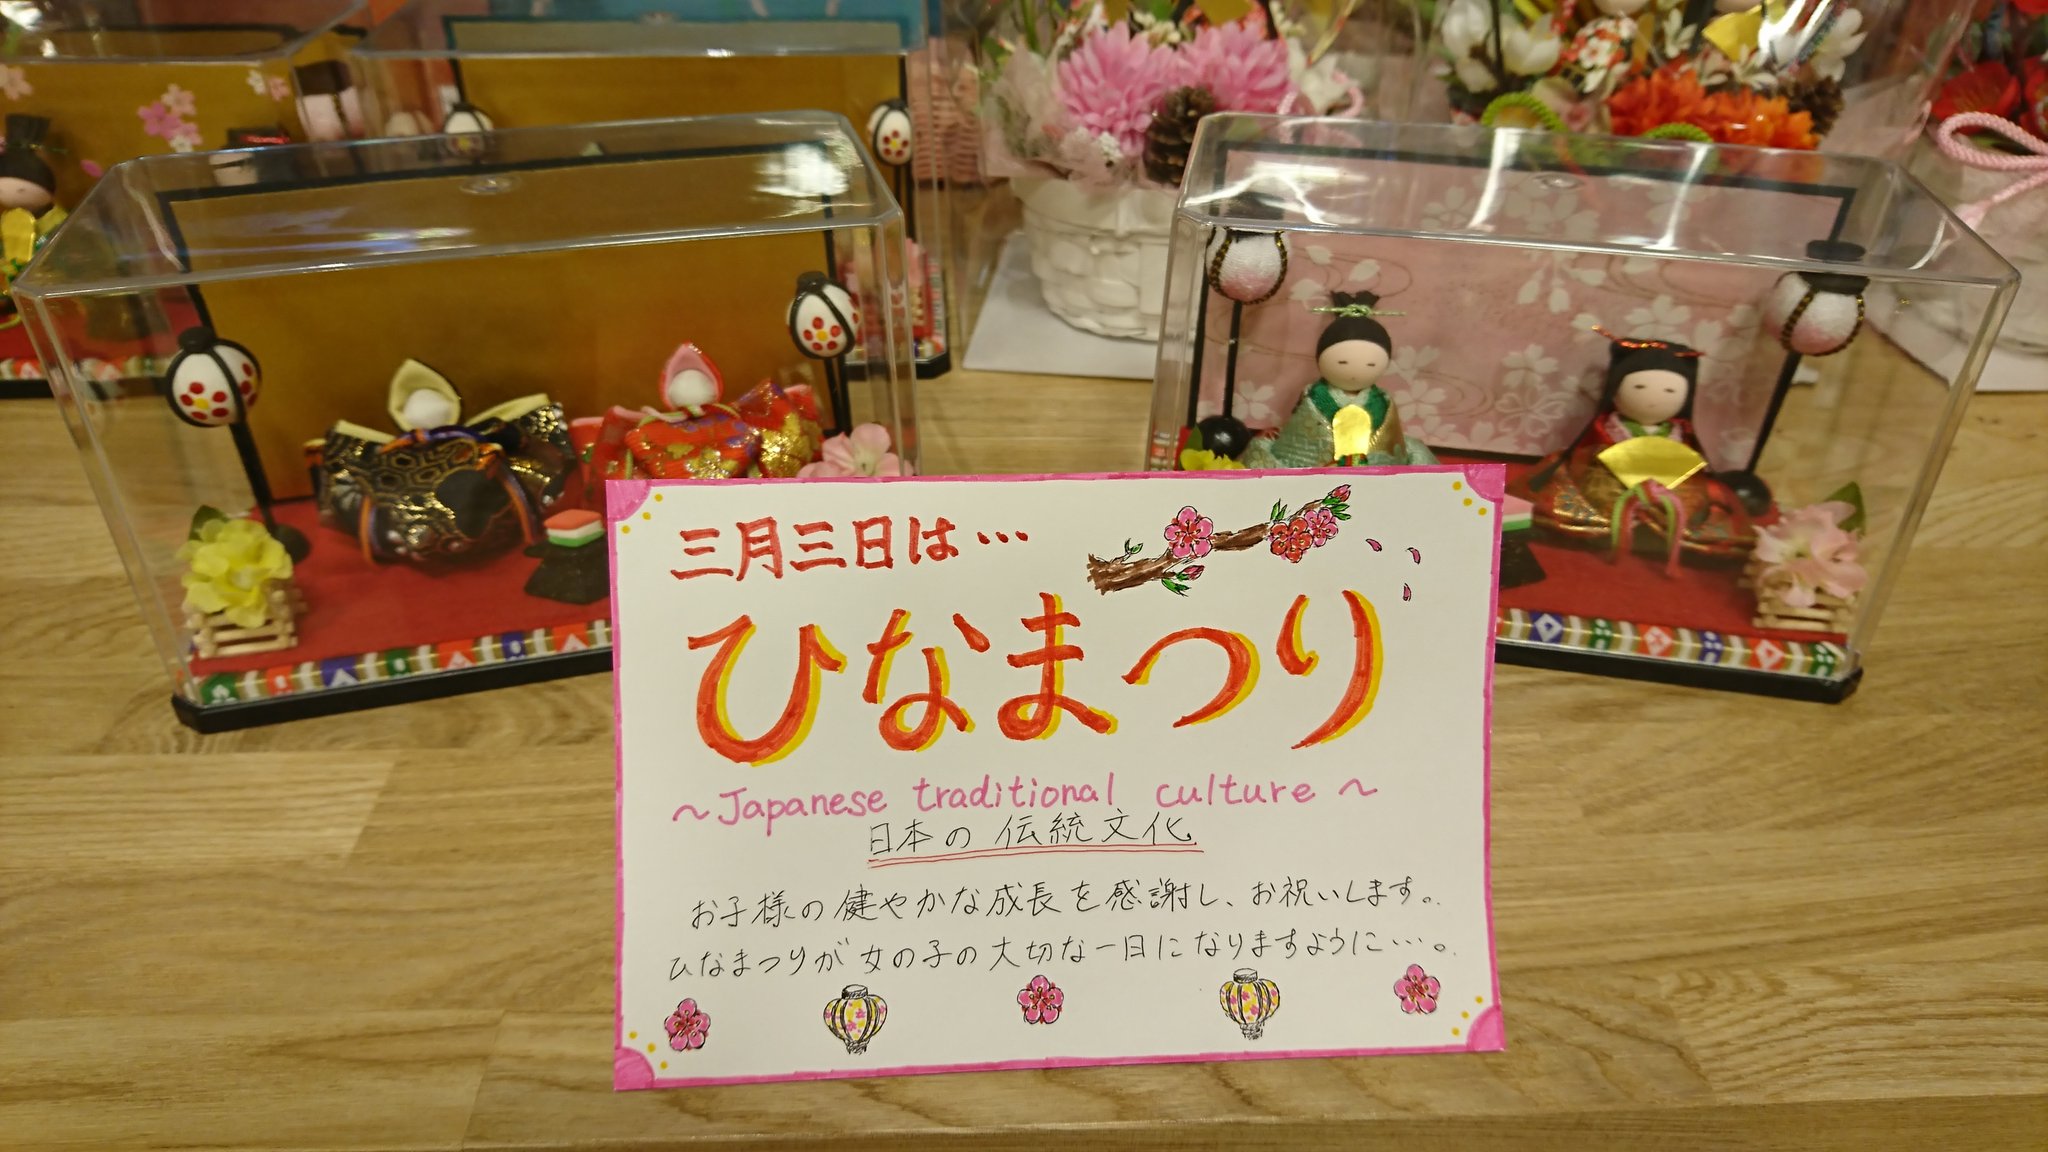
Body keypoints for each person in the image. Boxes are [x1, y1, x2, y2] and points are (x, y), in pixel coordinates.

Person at [1524, 332, 1754, 571]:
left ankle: (1661, 533)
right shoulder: (1609, 428)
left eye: (1670, 391)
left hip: (1667, 492)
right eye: (1639, 386)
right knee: (1579, 486)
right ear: (1615, 391)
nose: (1654, 399)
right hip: (1614, 488)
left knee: (1699, 498)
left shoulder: (1680, 433)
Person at [1240, 290, 1438, 469]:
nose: (1354, 371)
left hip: (1374, 469)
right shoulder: (1316, 397)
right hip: (1315, 465)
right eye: (1342, 362)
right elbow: (1303, 429)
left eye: (1371, 364)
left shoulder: (1381, 401)